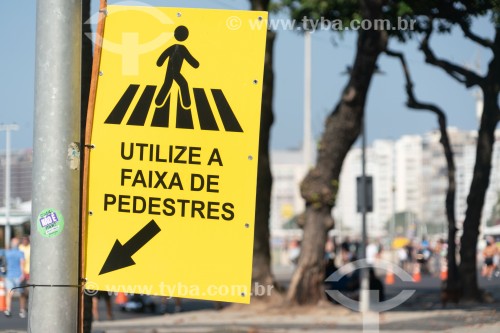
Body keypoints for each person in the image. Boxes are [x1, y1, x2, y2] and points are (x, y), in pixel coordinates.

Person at [155, 25, 199, 108]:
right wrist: (196, 64)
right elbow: (191, 59)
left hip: (171, 71)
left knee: (167, 84)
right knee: (183, 84)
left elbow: (163, 56)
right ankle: (186, 103)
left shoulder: (175, 47)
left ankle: (158, 101)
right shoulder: (182, 48)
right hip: (175, 72)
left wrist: (160, 63)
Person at [4, 238, 27, 318]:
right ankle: (22, 310)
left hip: (9, 275)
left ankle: (8, 309)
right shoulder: (20, 253)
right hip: (18, 275)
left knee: (9, 293)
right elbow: (22, 264)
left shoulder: (7, 253)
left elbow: (4, 263)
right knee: (21, 293)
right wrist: (23, 274)